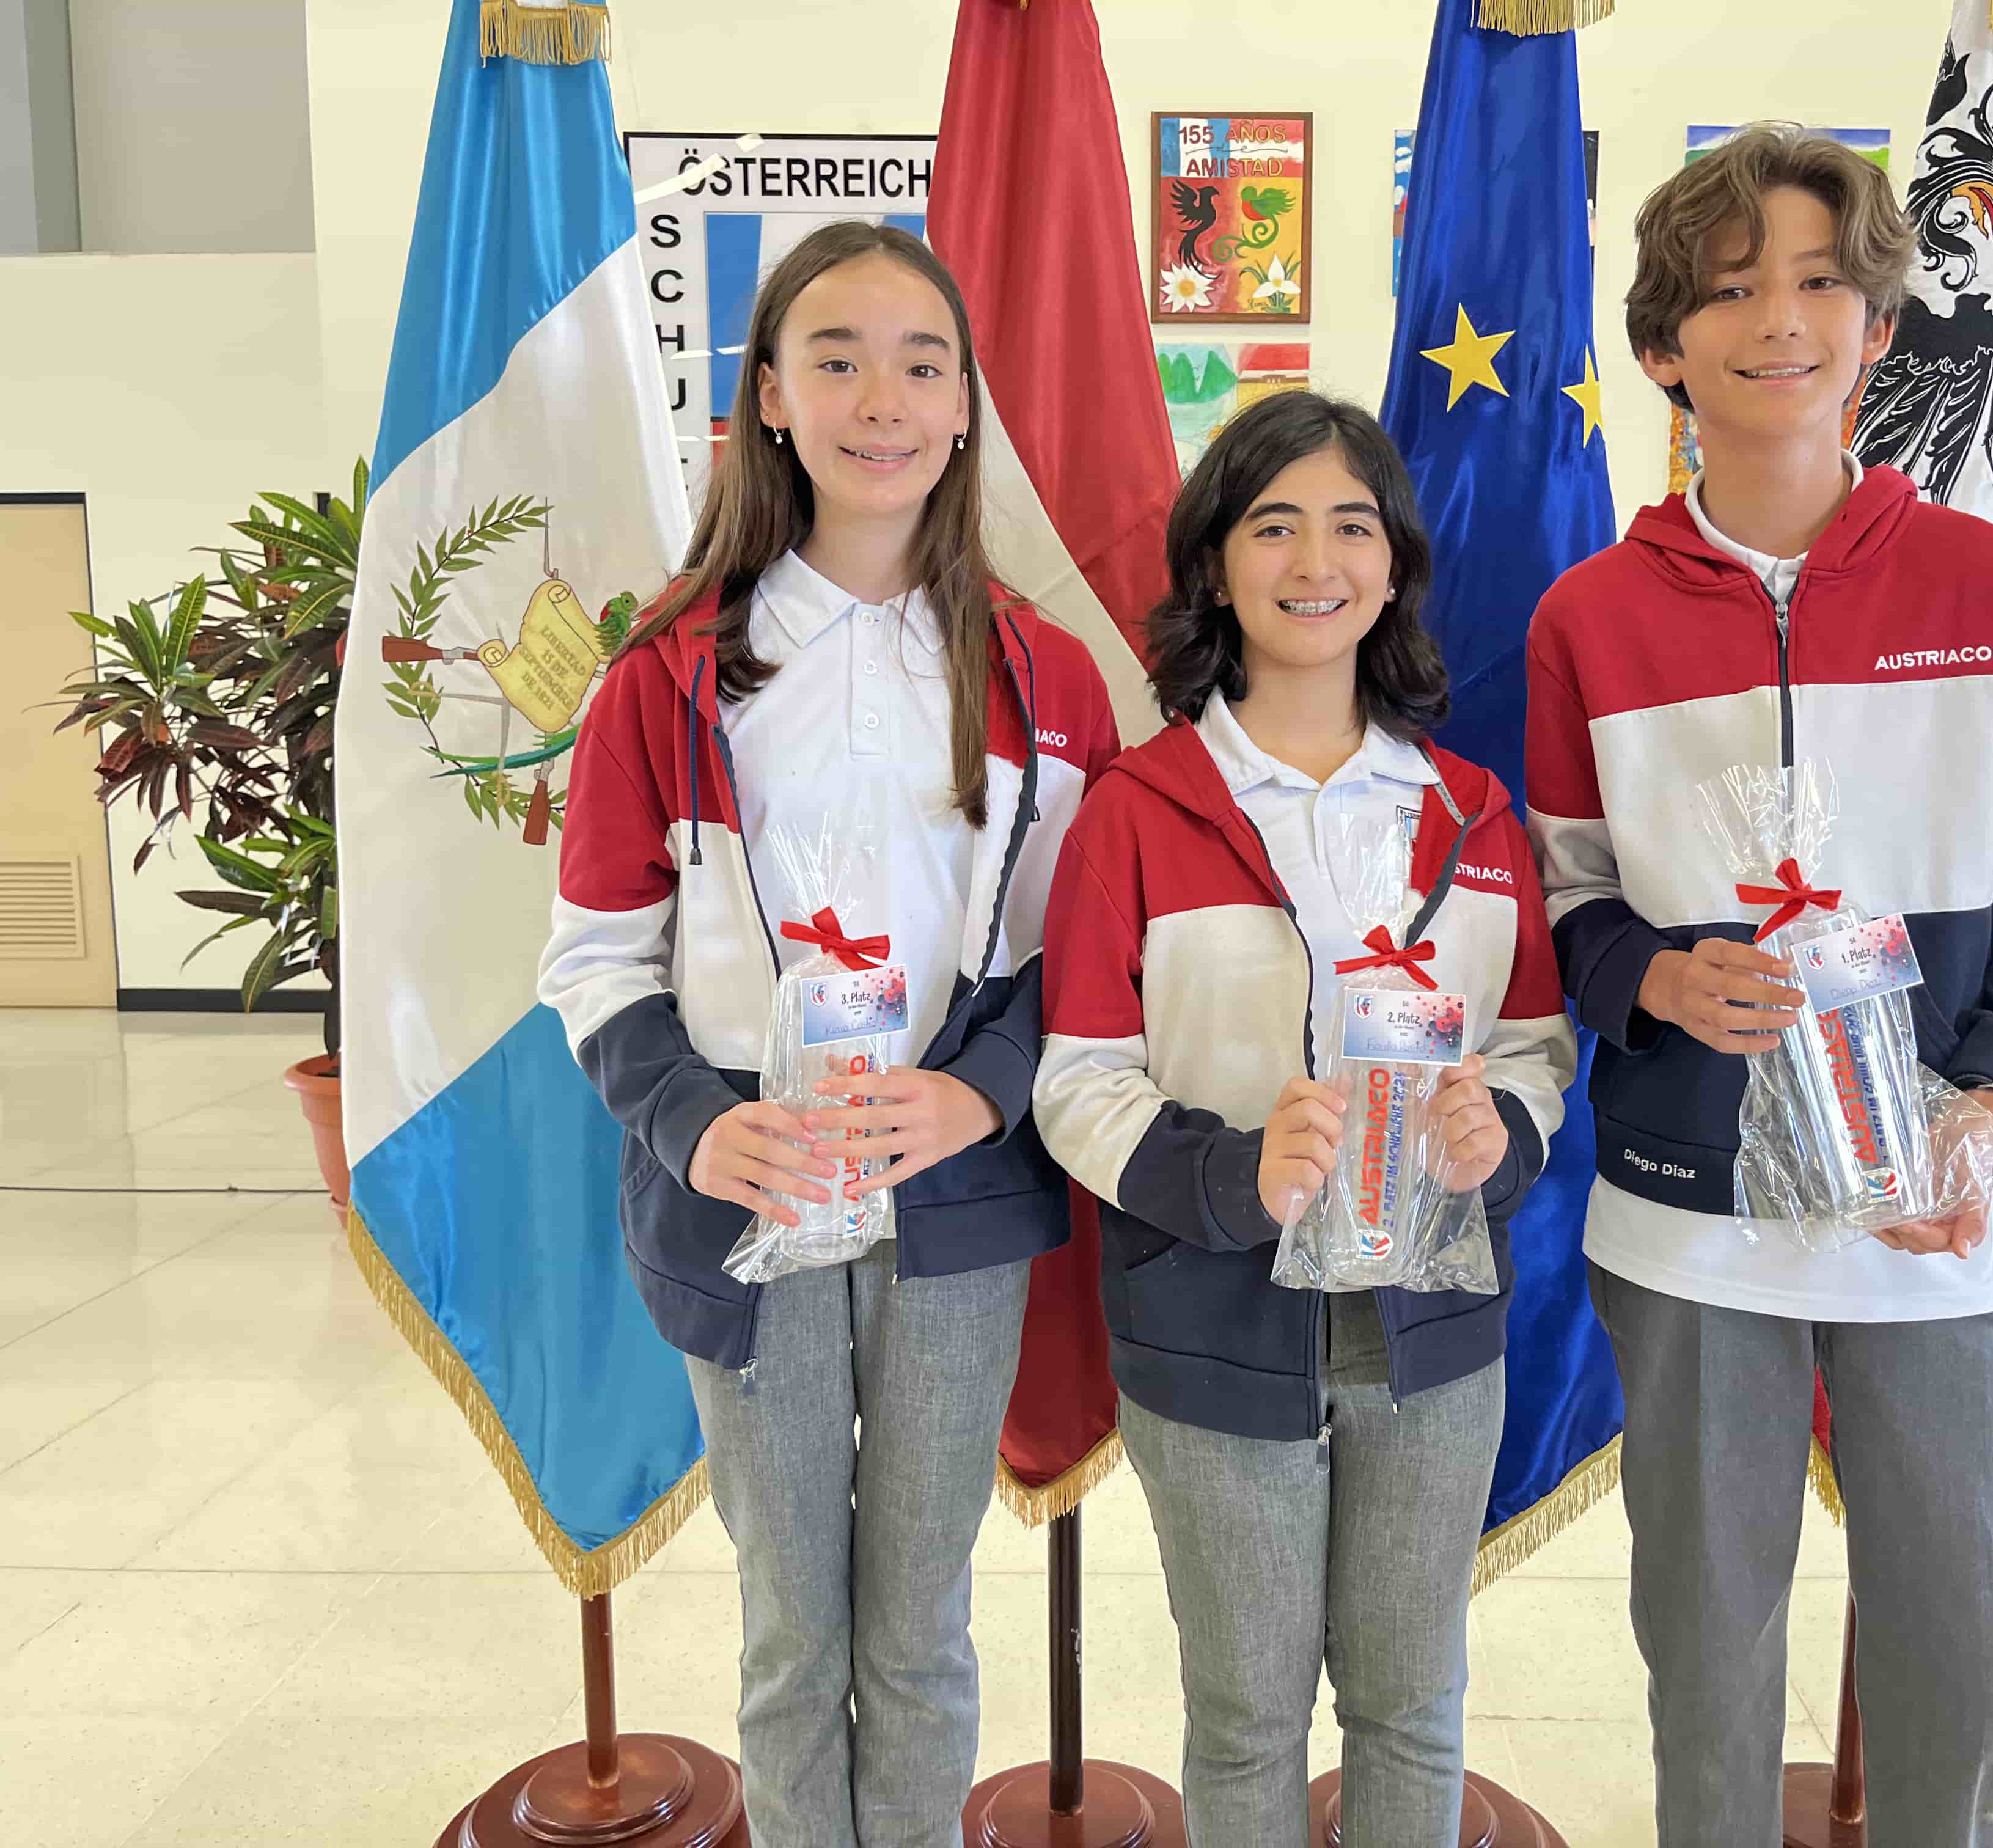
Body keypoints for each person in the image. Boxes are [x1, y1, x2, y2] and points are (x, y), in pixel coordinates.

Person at [1522, 125, 1993, 1846]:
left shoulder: (1990, 589)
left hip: (1927, 1213)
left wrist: (1990, 1107)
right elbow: (1569, 907)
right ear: (1663, 346)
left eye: (1815, 281)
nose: (1776, 319)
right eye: (1728, 290)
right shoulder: (1590, 618)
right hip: (1687, 1218)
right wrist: (1656, 982)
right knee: (1707, 1642)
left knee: (1955, 1636)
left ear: (1877, 325)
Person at [538, 221, 1118, 1848]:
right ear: (772, 399)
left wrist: (978, 1096)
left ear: (964, 405)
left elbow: (1081, 962)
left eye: (923, 365)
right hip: (752, 1192)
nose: (884, 400)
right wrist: (692, 1120)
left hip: (956, 1205)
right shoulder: (668, 676)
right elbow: (595, 957)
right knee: (794, 1630)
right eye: (838, 360)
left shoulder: (1048, 676)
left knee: (921, 1626)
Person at [1032, 391, 1576, 1847]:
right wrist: (1232, 1175)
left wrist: (1502, 1134)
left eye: (1351, 526)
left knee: (1412, 1704)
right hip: (1211, 1327)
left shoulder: (1474, 816)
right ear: (1216, 566)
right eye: (1273, 526)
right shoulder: (1138, 810)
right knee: (1248, 1714)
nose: (1315, 560)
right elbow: (1076, 1077)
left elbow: (1533, 1048)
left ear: (1394, 567)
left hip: (1434, 1334)